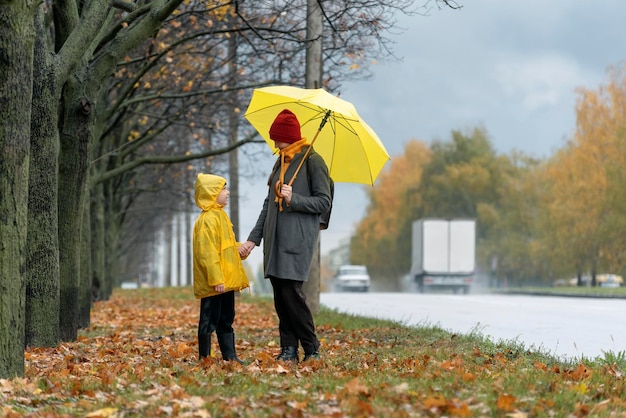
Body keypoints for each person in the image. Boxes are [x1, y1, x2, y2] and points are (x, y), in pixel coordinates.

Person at [240, 109, 332, 363]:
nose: (274, 142)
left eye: (277, 137)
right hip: (275, 240)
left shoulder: (313, 161)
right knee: (281, 296)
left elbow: (323, 202)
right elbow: (267, 205)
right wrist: (253, 240)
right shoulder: (280, 162)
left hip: (298, 240)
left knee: (292, 294)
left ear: (288, 136)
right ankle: (288, 350)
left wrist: (294, 198)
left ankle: (311, 348)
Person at [193, 173, 250, 363]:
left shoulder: (221, 216)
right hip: (215, 282)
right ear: (211, 193)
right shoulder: (207, 220)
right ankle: (205, 357)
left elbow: (224, 246)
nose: (228, 192)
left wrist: (239, 248)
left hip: (226, 281)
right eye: (223, 189)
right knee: (209, 319)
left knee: (226, 317)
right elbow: (207, 254)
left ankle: (230, 356)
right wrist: (216, 279)